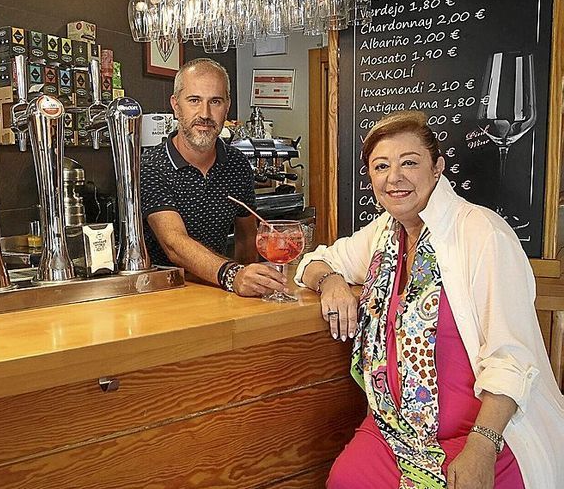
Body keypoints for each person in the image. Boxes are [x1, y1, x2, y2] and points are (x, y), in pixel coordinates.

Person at [295, 110, 564, 488]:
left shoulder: (481, 233)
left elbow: (512, 356)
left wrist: (482, 446)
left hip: (484, 434)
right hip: (394, 429)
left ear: (437, 168)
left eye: (409, 163)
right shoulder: (384, 233)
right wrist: (331, 281)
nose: (394, 177)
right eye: (381, 166)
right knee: (344, 479)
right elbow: (313, 261)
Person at [140, 58, 287, 296]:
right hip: (163, 295)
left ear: (227, 107)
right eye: (194, 100)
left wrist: (249, 283)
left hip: (218, 292)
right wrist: (233, 275)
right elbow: (174, 243)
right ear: (176, 106)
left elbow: (247, 238)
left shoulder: (236, 164)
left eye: (215, 102)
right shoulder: (152, 166)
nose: (205, 114)